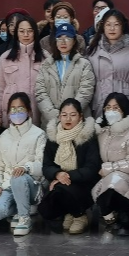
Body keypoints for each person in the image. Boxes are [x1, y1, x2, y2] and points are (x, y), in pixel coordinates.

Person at [38, 98, 102, 234]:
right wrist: (57, 174)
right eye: (64, 115)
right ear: (59, 116)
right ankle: (70, 212)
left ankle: (80, 215)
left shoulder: (87, 137)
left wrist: (66, 176)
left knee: (62, 190)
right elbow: (46, 165)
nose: (68, 119)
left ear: (80, 116)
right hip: (60, 181)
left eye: (73, 115)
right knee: (47, 207)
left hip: (84, 183)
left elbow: (91, 168)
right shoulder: (54, 137)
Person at [0, 92, 47, 236]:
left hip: (31, 184)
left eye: (21, 109)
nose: (16, 113)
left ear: (29, 111)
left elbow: (42, 164)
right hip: (8, 185)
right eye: (13, 109)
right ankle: (19, 210)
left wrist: (26, 168)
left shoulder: (38, 134)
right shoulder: (4, 136)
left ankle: (24, 218)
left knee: (18, 177)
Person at [91, 92, 129, 235]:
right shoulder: (102, 132)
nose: (111, 111)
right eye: (108, 107)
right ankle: (112, 218)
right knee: (101, 191)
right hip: (107, 174)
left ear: (124, 110)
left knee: (114, 185)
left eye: (116, 108)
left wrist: (109, 168)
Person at [35, 21, 96, 125]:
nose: (63, 42)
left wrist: (70, 114)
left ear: (74, 41)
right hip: (51, 121)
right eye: (59, 38)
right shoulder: (46, 64)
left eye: (68, 38)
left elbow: (86, 91)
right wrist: (53, 115)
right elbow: (40, 92)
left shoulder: (84, 64)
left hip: (77, 121)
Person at [0, 13, 44, 128]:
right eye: (21, 31)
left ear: (35, 33)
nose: (26, 35)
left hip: (37, 112)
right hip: (12, 112)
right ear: (16, 34)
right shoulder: (5, 58)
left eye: (30, 31)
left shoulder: (45, 57)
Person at [86, 11, 129, 117]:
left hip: (125, 102)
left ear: (123, 26)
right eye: (108, 24)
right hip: (99, 103)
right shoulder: (92, 50)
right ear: (103, 26)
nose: (112, 28)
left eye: (116, 24)